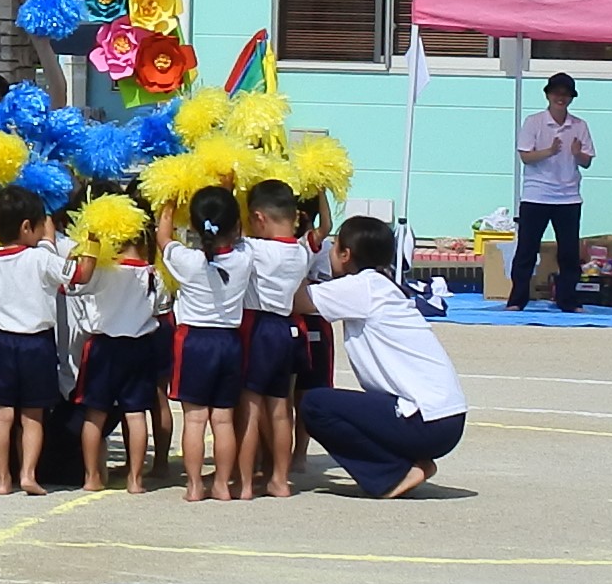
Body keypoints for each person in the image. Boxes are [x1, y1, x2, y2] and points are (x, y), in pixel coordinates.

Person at [295, 216, 468, 499]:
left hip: (428, 422)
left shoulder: (362, 287)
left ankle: (391, 475)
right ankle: (402, 464)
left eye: (333, 246)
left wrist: (296, 254)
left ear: (345, 254)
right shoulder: (379, 284)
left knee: (315, 404)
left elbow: (297, 300)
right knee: (346, 406)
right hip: (444, 418)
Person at [0, 186, 85, 497]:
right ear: (27, 227)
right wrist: (92, 242)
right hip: (37, 344)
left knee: (1, 414)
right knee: (33, 415)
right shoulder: (40, 259)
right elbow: (78, 274)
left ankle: (1, 477)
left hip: (0, 344)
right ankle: (28, 474)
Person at [160, 186, 254, 502]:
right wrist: (228, 189)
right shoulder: (244, 257)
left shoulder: (187, 260)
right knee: (224, 419)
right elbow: (234, 232)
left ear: (197, 227)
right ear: (236, 225)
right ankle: (222, 485)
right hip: (229, 342)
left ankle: (194, 486)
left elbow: (163, 238)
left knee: (195, 419)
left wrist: (169, 202)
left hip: (194, 342)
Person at [71, 221, 160, 494]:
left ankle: (91, 476)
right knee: (136, 415)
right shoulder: (153, 273)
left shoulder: (102, 271)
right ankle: (135, 479)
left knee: (95, 414)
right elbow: (160, 306)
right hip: (139, 346)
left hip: (103, 347)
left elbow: (75, 286)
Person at [240, 180, 314, 500]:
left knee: (250, 408)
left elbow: (230, 241)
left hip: (256, 327)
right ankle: (280, 479)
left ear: (259, 218)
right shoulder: (301, 252)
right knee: (281, 409)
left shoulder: (255, 248)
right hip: (285, 329)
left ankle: (243, 483)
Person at [510, 72, 595, 314]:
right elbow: (526, 157)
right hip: (536, 195)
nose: (561, 98)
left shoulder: (580, 125)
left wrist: (577, 153)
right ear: (548, 95)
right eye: (556, 93)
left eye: (566, 94)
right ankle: (517, 300)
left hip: (568, 197)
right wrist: (550, 150)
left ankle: (568, 300)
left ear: (571, 98)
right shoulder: (534, 122)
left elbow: (587, 162)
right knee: (526, 250)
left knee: (568, 253)